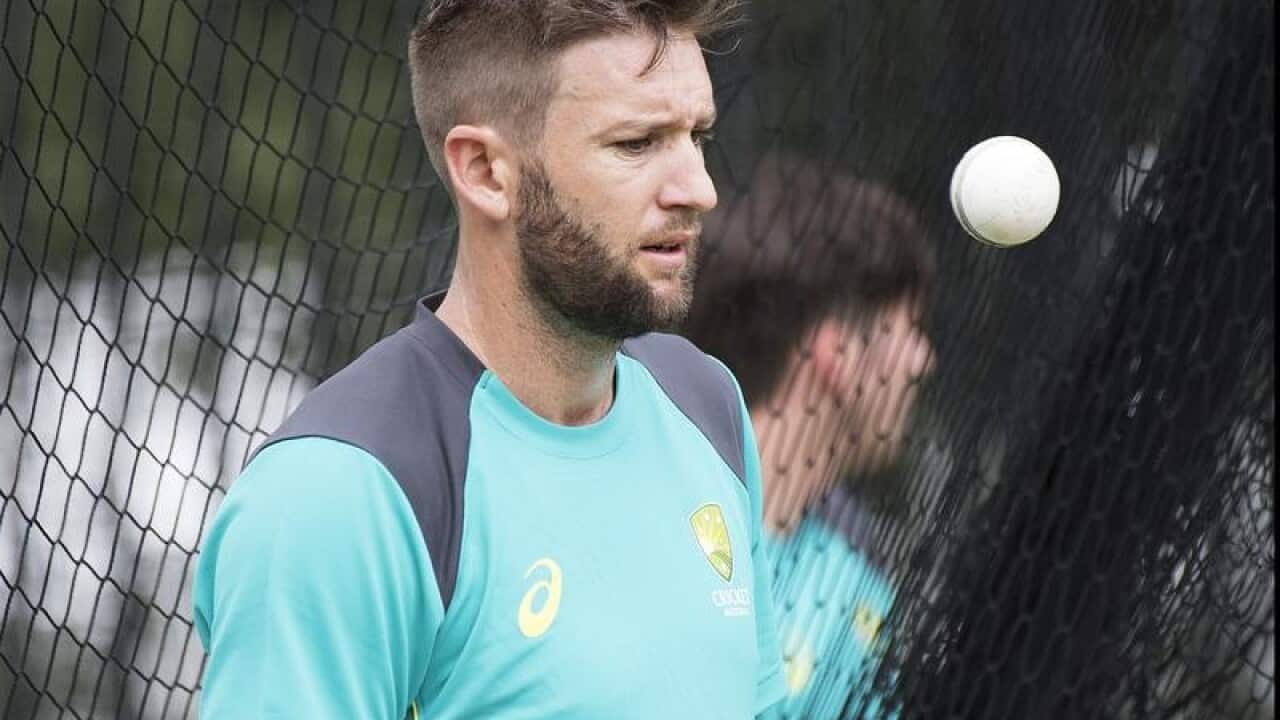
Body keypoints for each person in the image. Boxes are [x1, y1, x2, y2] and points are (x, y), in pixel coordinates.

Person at [192, 2, 788, 718]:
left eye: (697, 136)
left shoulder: (706, 402)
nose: (699, 188)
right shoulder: (338, 494)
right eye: (637, 143)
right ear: (484, 172)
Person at [683, 152, 937, 719]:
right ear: (835, 351)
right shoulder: (636, 509)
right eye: (911, 329)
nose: (924, 362)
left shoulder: (857, 590)